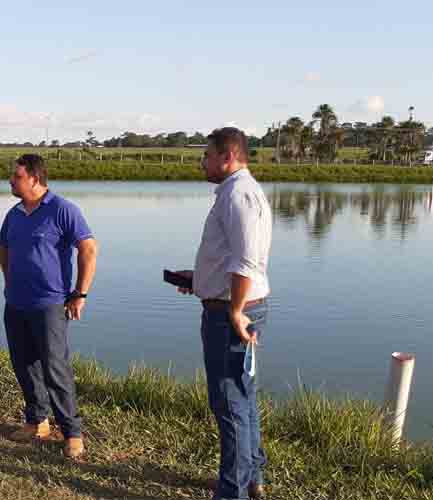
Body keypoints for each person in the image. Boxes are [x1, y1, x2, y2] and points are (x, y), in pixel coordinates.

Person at [177, 128, 272, 499]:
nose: (203, 162)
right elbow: (231, 258)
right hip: (234, 305)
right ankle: (250, 477)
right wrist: (200, 279)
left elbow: (246, 262)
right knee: (242, 397)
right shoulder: (239, 192)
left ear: (227, 156)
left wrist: (233, 310)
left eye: (207, 155)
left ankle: (232, 490)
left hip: (234, 313)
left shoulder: (239, 195)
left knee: (230, 402)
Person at [0, 154, 98, 459]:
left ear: (35, 179)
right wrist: (9, 279)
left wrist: (80, 294)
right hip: (16, 302)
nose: (11, 180)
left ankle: (72, 432)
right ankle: (37, 421)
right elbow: (3, 246)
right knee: (24, 363)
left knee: (56, 368)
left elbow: (89, 249)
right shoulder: (14, 213)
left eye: (16, 176)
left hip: (50, 304)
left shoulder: (63, 209)